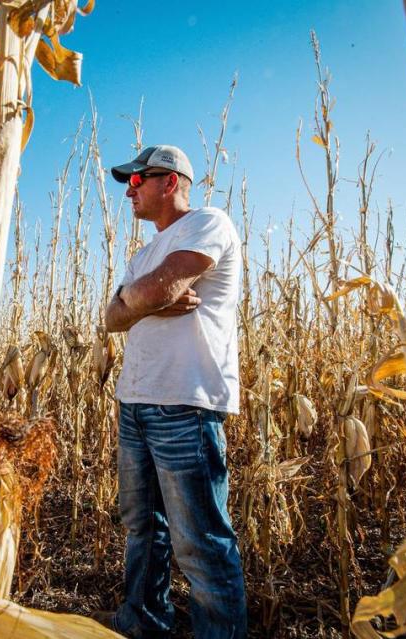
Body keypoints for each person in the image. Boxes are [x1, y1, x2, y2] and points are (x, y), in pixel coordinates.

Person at [96, 145, 247, 638]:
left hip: (185, 403)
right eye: (128, 182)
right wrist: (147, 302)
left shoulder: (209, 223)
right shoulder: (142, 253)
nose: (129, 190)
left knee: (200, 543)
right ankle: (141, 623)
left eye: (138, 181)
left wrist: (141, 299)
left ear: (171, 182)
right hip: (135, 403)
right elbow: (112, 317)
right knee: (143, 528)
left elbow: (157, 289)